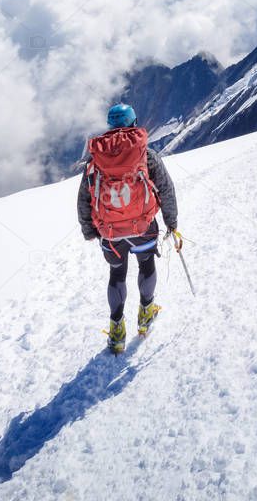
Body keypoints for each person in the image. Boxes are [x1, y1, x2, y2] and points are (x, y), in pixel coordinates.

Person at [77, 103, 181, 354]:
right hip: (143, 226)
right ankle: (146, 315)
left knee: (116, 274)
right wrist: (171, 221)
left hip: (110, 234)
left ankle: (117, 332)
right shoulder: (147, 155)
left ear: (111, 126)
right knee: (146, 265)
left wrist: (89, 229)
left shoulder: (96, 159)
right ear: (134, 122)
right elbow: (166, 189)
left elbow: (84, 197)